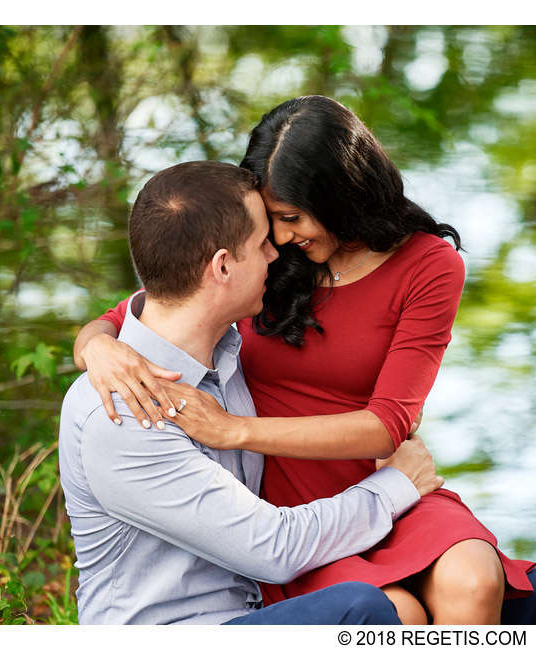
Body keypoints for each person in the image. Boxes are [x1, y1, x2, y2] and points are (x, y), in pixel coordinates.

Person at [73, 96, 536, 625]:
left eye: (291, 217)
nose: (281, 237)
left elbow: (387, 425)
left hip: (387, 473)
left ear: (339, 196)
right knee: (397, 614)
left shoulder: (429, 265)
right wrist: (98, 345)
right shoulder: (262, 262)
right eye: (272, 221)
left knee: (476, 581)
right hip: (288, 498)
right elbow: (148, 308)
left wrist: (235, 430)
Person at [59, 160, 445, 624]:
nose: (275, 255)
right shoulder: (125, 412)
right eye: (261, 243)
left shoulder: (229, 352)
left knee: (531, 599)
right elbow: (274, 548)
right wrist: (398, 484)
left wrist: (96, 339)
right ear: (222, 266)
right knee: (365, 612)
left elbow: (145, 304)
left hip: (253, 607)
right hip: (178, 628)